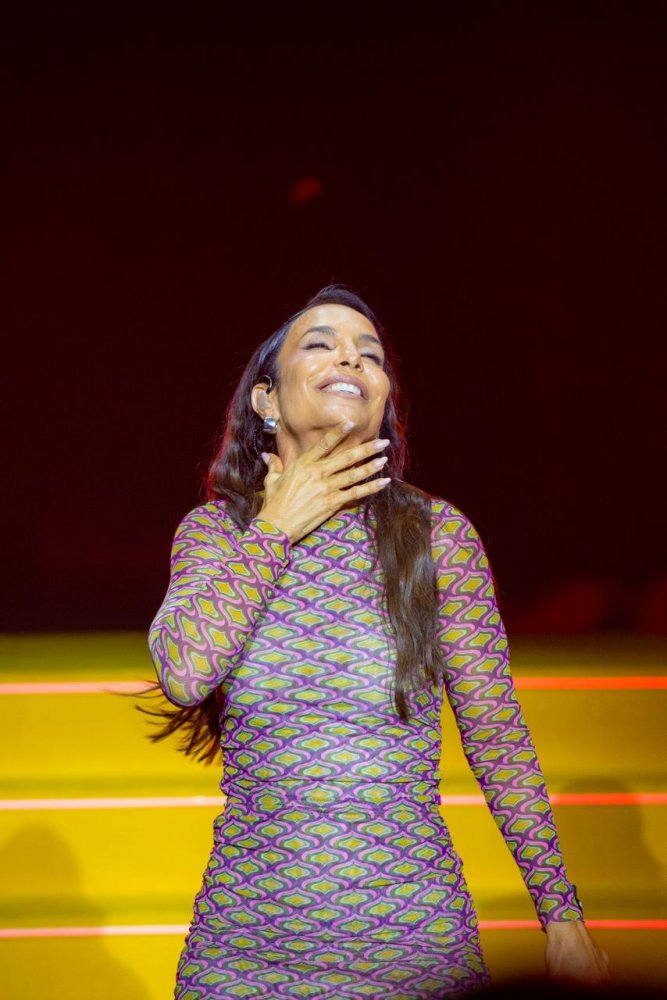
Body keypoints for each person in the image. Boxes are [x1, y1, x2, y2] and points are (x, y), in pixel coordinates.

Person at [148, 285, 609, 999]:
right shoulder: (216, 535)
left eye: (369, 354)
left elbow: (497, 735)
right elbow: (184, 672)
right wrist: (276, 527)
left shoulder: (437, 536)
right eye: (321, 344)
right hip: (244, 959)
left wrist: (561, 914)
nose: (350, 359)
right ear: (266, 400)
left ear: (384, 399)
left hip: (414, 954)